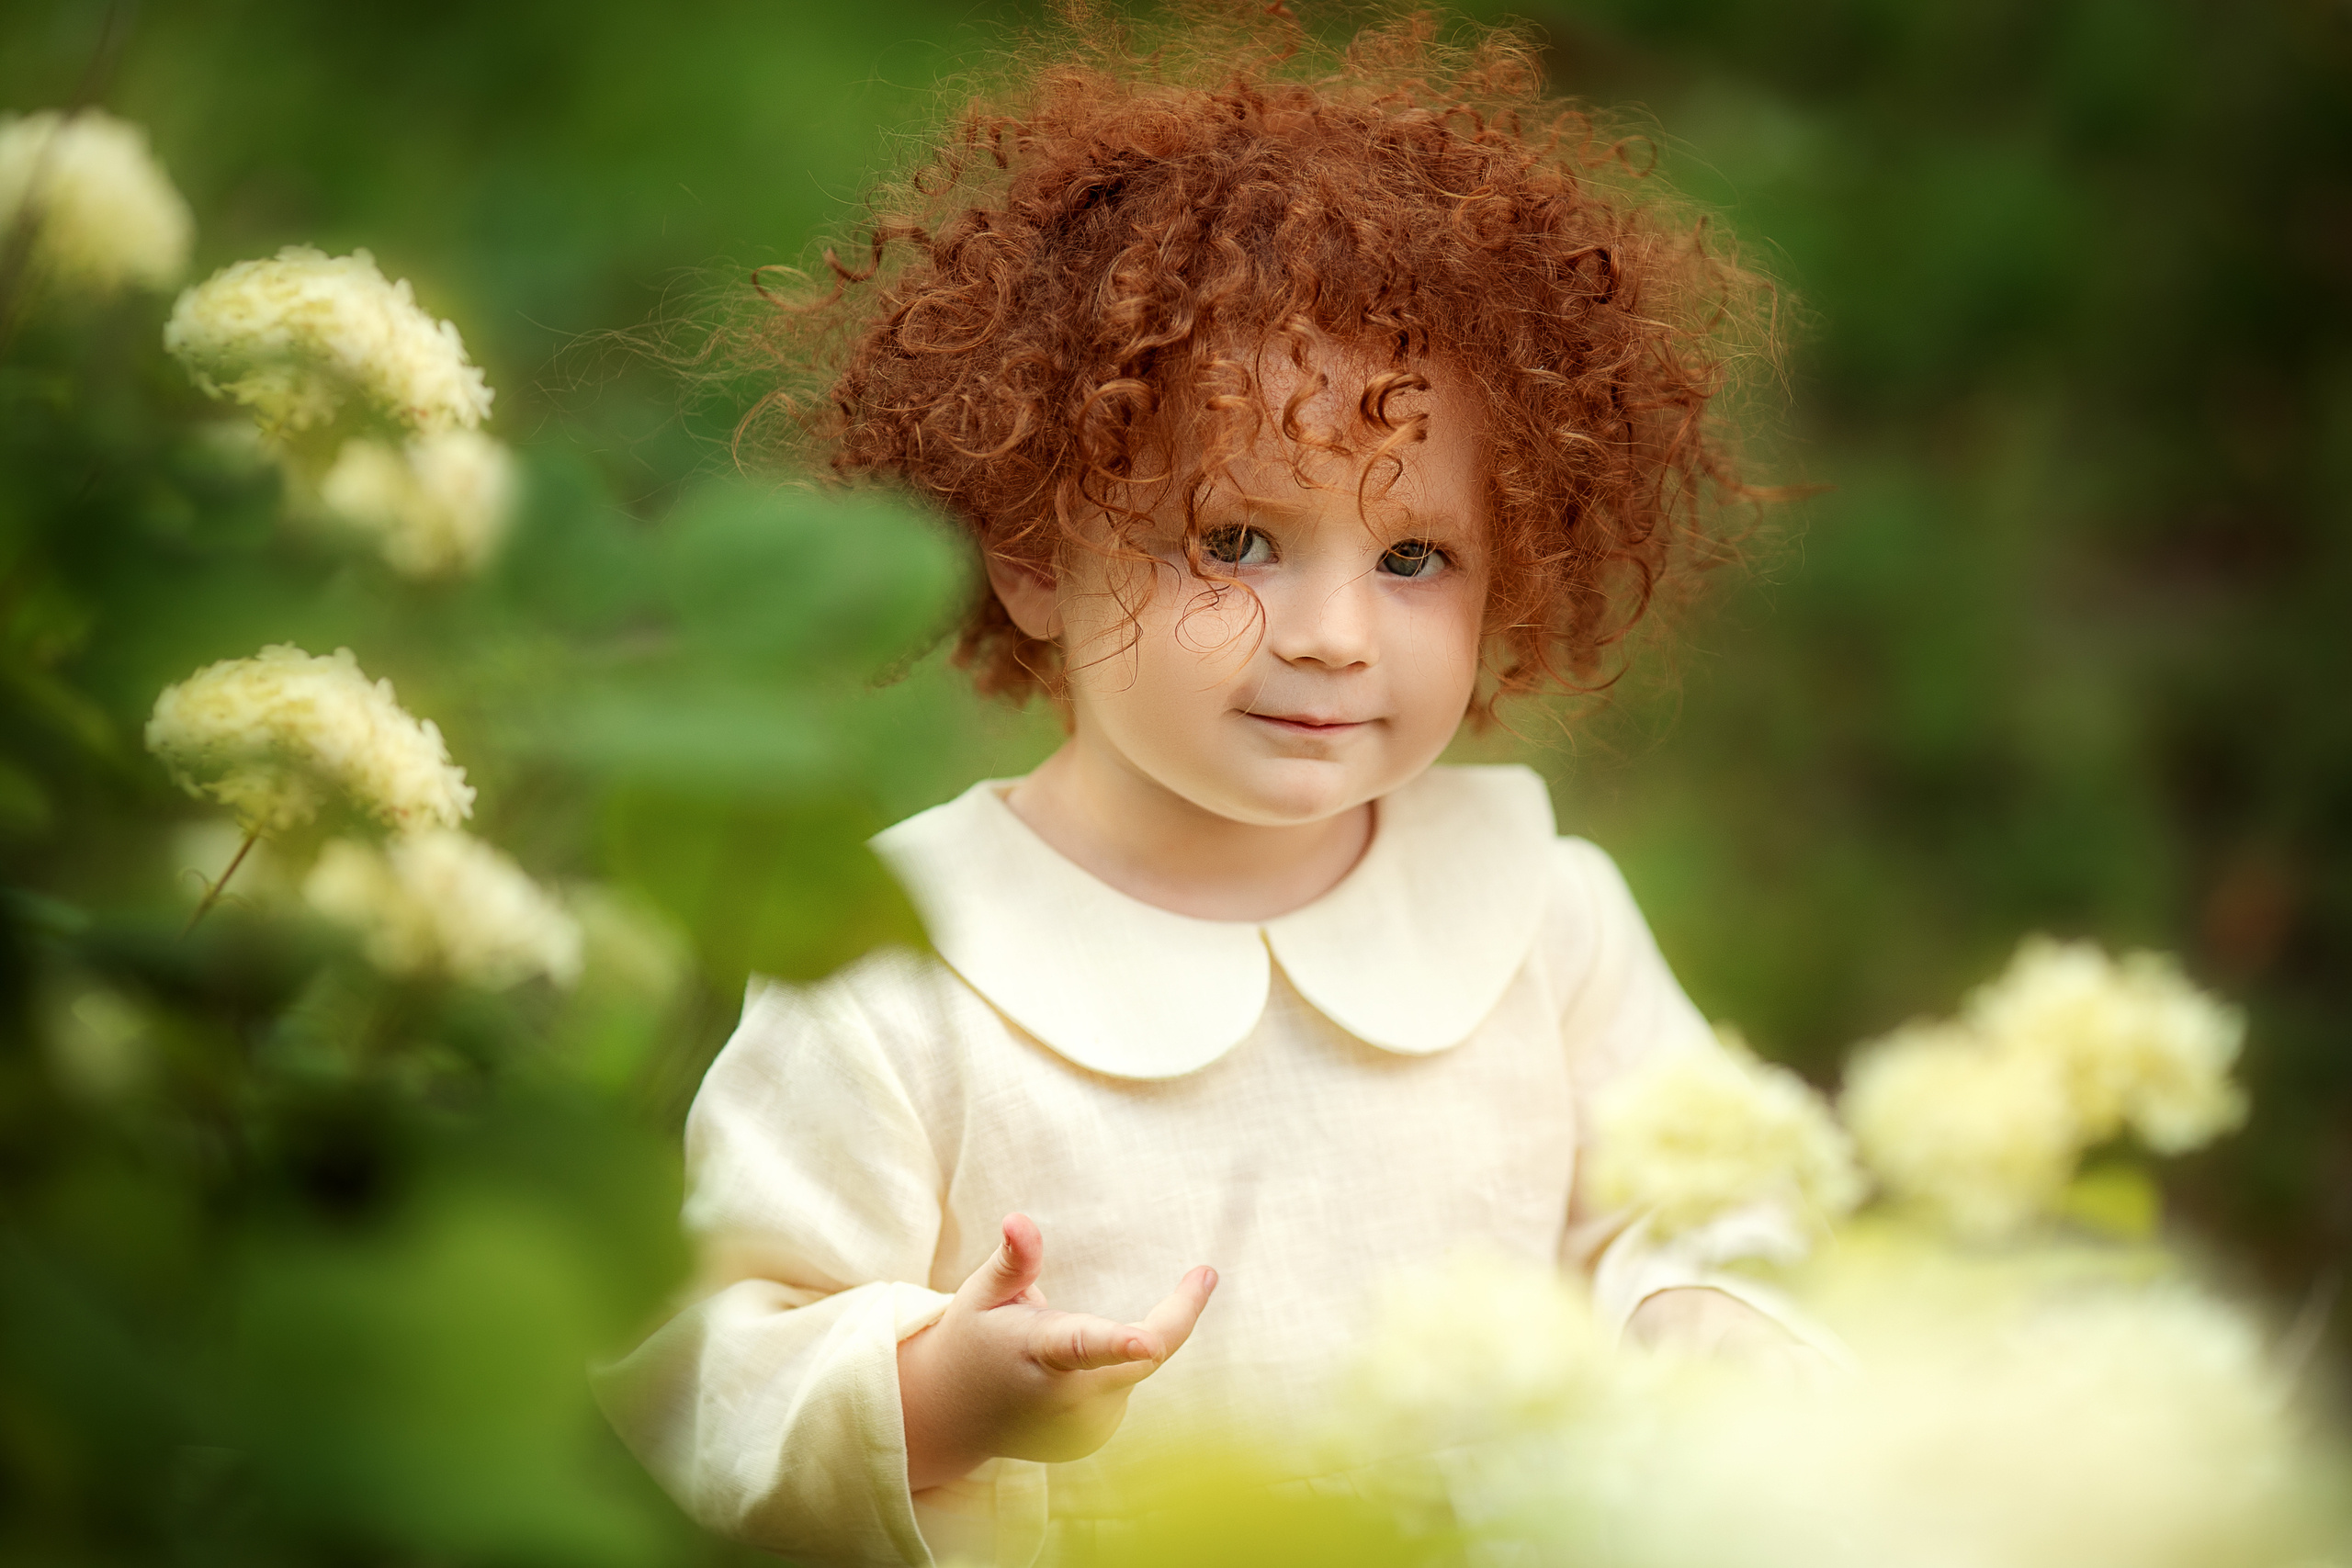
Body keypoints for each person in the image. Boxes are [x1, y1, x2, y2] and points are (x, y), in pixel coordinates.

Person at [596, 6, 1814, 1563]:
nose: (1332, 634)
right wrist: (938, 1395)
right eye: (1237, 542)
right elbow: (726, 1376)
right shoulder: (894, 959)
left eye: (1415, 556)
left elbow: (1711, 1198)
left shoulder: (1540, 917)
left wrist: (1698, 1314)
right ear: (1037, 555)